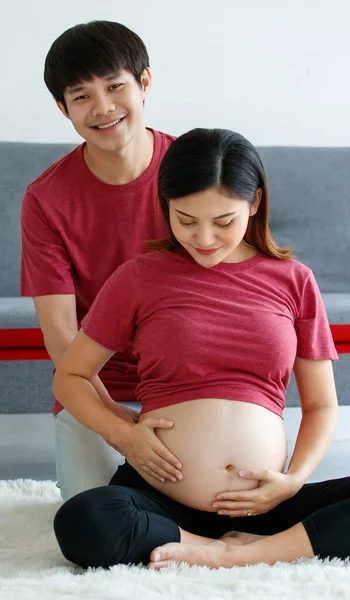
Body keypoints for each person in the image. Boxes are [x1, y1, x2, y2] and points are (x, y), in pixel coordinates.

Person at [51, 127, 350, 569]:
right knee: (83, 520)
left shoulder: (295, 281)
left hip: (266, 506)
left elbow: (321, 404)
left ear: (253, 204)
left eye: (224, 221)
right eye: (186, 220)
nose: (205, 239)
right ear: (166, 206)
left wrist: (293, 481)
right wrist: (124, 436)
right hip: (160, 496)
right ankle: (206, 544)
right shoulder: (139, 276)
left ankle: (241, 553)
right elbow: (71, 375)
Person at [20, 20, 176, 500]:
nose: (104, 108)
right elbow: (62, 336)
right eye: (82, 95)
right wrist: (116, 428)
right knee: (95, 520)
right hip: (91, 382)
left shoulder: (194, 170)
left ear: (144, 83)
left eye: (114, 86)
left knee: (211, 505)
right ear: (63, 107)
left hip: (185, 375)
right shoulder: (45, 200)